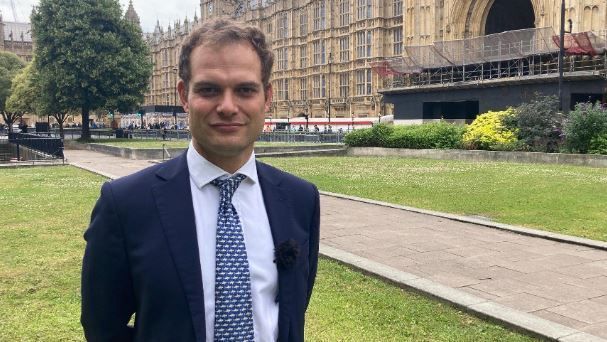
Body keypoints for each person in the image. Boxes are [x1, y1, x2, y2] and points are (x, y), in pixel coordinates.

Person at [81, 18, 320, 342]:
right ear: (184, 95)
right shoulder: (124, 205)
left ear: (266, 98)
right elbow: (102, 328)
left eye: (245, 90)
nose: (227, 106)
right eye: (209, 89)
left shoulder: (300, 199)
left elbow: (292, 310)